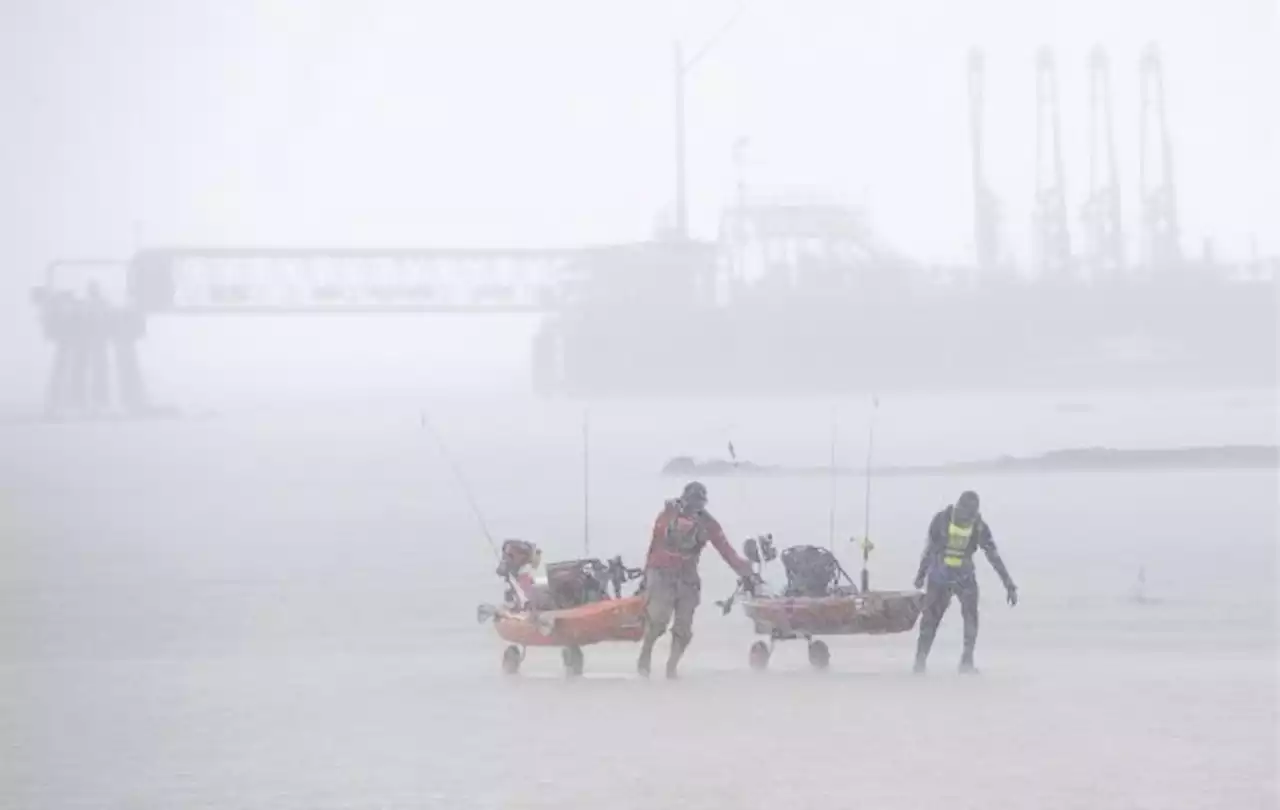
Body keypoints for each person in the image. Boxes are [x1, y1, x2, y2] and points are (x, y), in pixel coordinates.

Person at [637, 481, 755, 678]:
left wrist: (743, 569)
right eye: (691, 501)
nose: (694, 506)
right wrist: (646, 575)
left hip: (687, 577)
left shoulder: (708, 524)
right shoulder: (667, 515)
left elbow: (725, 549)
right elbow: (655, 544)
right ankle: (646, 652)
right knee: (658, 620)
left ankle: (671, 668)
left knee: (683, 628)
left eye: (699, 502)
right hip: (661, 573)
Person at [912, 490, 1017, 674]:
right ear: (957, 506)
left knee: (971, 620)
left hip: (964, 578)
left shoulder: (978, 526)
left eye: (969, 516)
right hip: (940, 578)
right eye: (963, 514)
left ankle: (966, 662)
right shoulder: (941, 520)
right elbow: (930, 549)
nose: (965, 518)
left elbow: (993, 555)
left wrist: (1008, 584)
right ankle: (920, 662)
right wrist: (921, 574)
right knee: (930, 620)